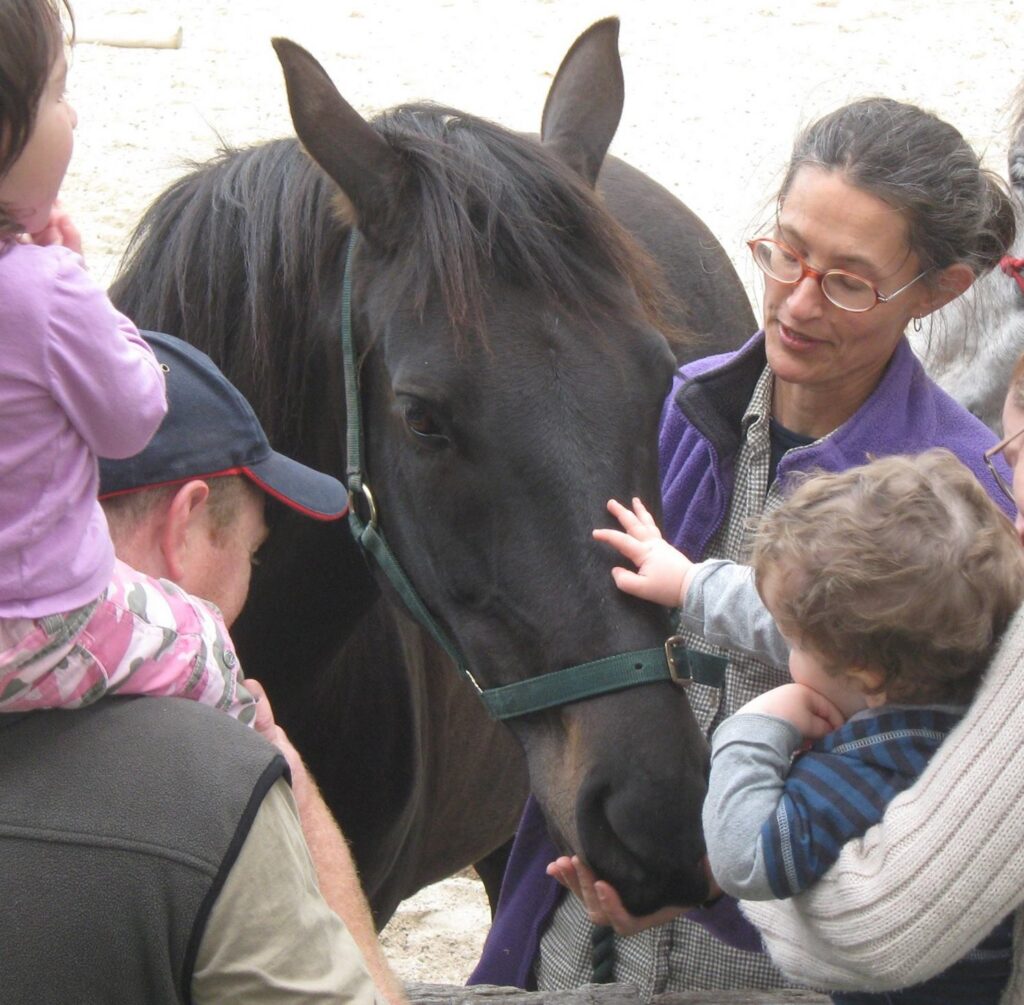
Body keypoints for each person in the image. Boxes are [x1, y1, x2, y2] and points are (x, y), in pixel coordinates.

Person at [473, 95, 1018, 994]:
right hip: (583, 939)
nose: (797, 301)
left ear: (939, 291)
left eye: (848, 280)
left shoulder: (967, 504)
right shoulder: (665, 408)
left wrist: (702, 893)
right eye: (787, 251)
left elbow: (931, 818)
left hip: (769, 976)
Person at [1, 326, 404, 1001]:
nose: (250, 580)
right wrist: (290, 790)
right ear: (183, 524)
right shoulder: (214, 793)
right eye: (253, 549)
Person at [0, 0, 265, 724]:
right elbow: (130, 422)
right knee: (201, 636)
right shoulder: (46, 289)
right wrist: (86, 294)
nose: (74, 116)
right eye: (57, 91)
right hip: (41, 626)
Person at [699, 450, 1023, 1004]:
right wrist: (689, 586)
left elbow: (742, 857)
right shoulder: (978, 712)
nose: (787, 651)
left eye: (796, 645)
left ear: (866, 672)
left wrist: (756, 724)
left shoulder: (860, 773)